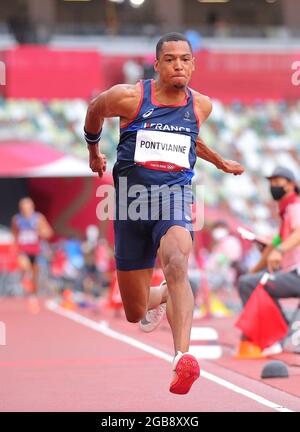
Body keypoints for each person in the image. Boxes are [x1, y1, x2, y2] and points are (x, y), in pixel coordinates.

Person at [84, 32, 244, 394]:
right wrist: (94, 152)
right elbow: (94, 109)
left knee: (177, 262)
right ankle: (164, 295)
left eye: (185, 59)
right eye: (170, 59)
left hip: (173, 196)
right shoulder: (129, 97)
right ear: (156, 64)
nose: (178, 65)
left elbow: (190, 140)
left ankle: (181, 358)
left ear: (194, 64)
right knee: (134, 311)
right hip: (130, 203)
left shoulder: (201, 106)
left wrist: (219, 162)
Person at [238, 166, 300, 356]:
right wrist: (255, 269)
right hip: (290, 272)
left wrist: (280, 251)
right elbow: (274, 245)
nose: (273, 186)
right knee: (250, 280)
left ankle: (274, 336)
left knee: (249, 284)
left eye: (277, 181)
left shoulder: (295, 207)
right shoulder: (284, 212)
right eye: (271, 182)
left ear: (290, 185)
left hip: (296, 273)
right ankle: (284, 329)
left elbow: (298, 232)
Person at [11, 197, 53, 313]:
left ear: (32, 208)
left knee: (34, 278)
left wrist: (41, 232)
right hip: (23, 250)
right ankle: (25, 277)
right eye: (24, 208)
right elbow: (15, 233)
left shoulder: (38, 218)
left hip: (35, 251)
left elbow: (49, 232)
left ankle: (32, 298)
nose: (26, 210)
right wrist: (14, 246)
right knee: (26, 267)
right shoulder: (17, 219)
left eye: (28, 208)